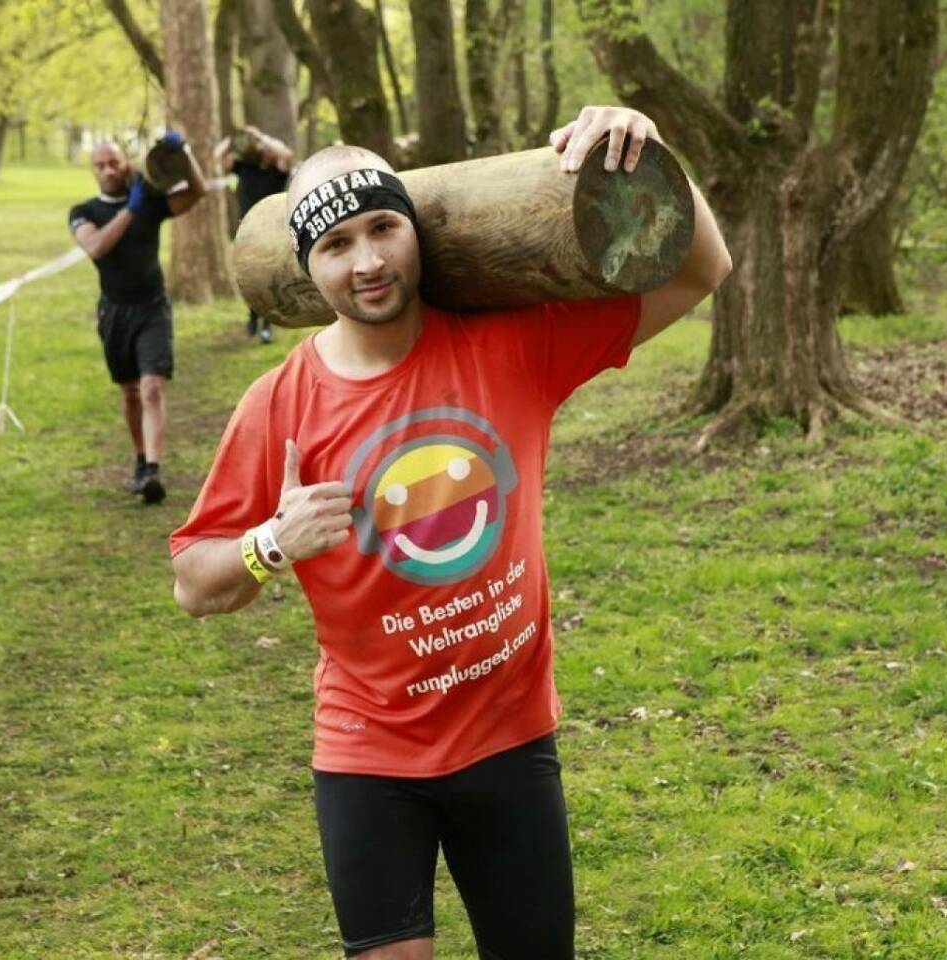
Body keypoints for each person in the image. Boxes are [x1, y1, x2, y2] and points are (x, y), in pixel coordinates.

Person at [170, 105, 731, 959]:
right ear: (306, 267)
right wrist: (270, 543)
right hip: (369, 753)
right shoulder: (279, 404)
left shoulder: (515, 346)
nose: (368, 262)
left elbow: (704, 267)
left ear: (414, 229)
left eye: (383, 228)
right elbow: (193, 584)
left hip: (509, 740)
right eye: (336, 245)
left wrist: (648, 143)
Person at [68, 133, 210, 504]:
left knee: (151, 388)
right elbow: (97, 247)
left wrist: (184, 152)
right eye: (100, 165)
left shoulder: (150, 200)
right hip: (115, 311)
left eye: (114, 162)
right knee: (130, 392)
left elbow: (197, 191)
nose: (108, 169)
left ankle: (153, 470)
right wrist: (129, 210)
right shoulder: (83, 212)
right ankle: (140, 457)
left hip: (152, 307)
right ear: (93, 171)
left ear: (126, 163)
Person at [215, 126, 295, 344]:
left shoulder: (277, 173)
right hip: (245, 231)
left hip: (270, 234)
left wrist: (262, 137)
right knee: (248, 277)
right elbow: (219, 157)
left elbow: (286, 155)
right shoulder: (245, 168)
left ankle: (267, 324)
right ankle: (252, 318)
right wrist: (234, 139)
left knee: (269, 279)